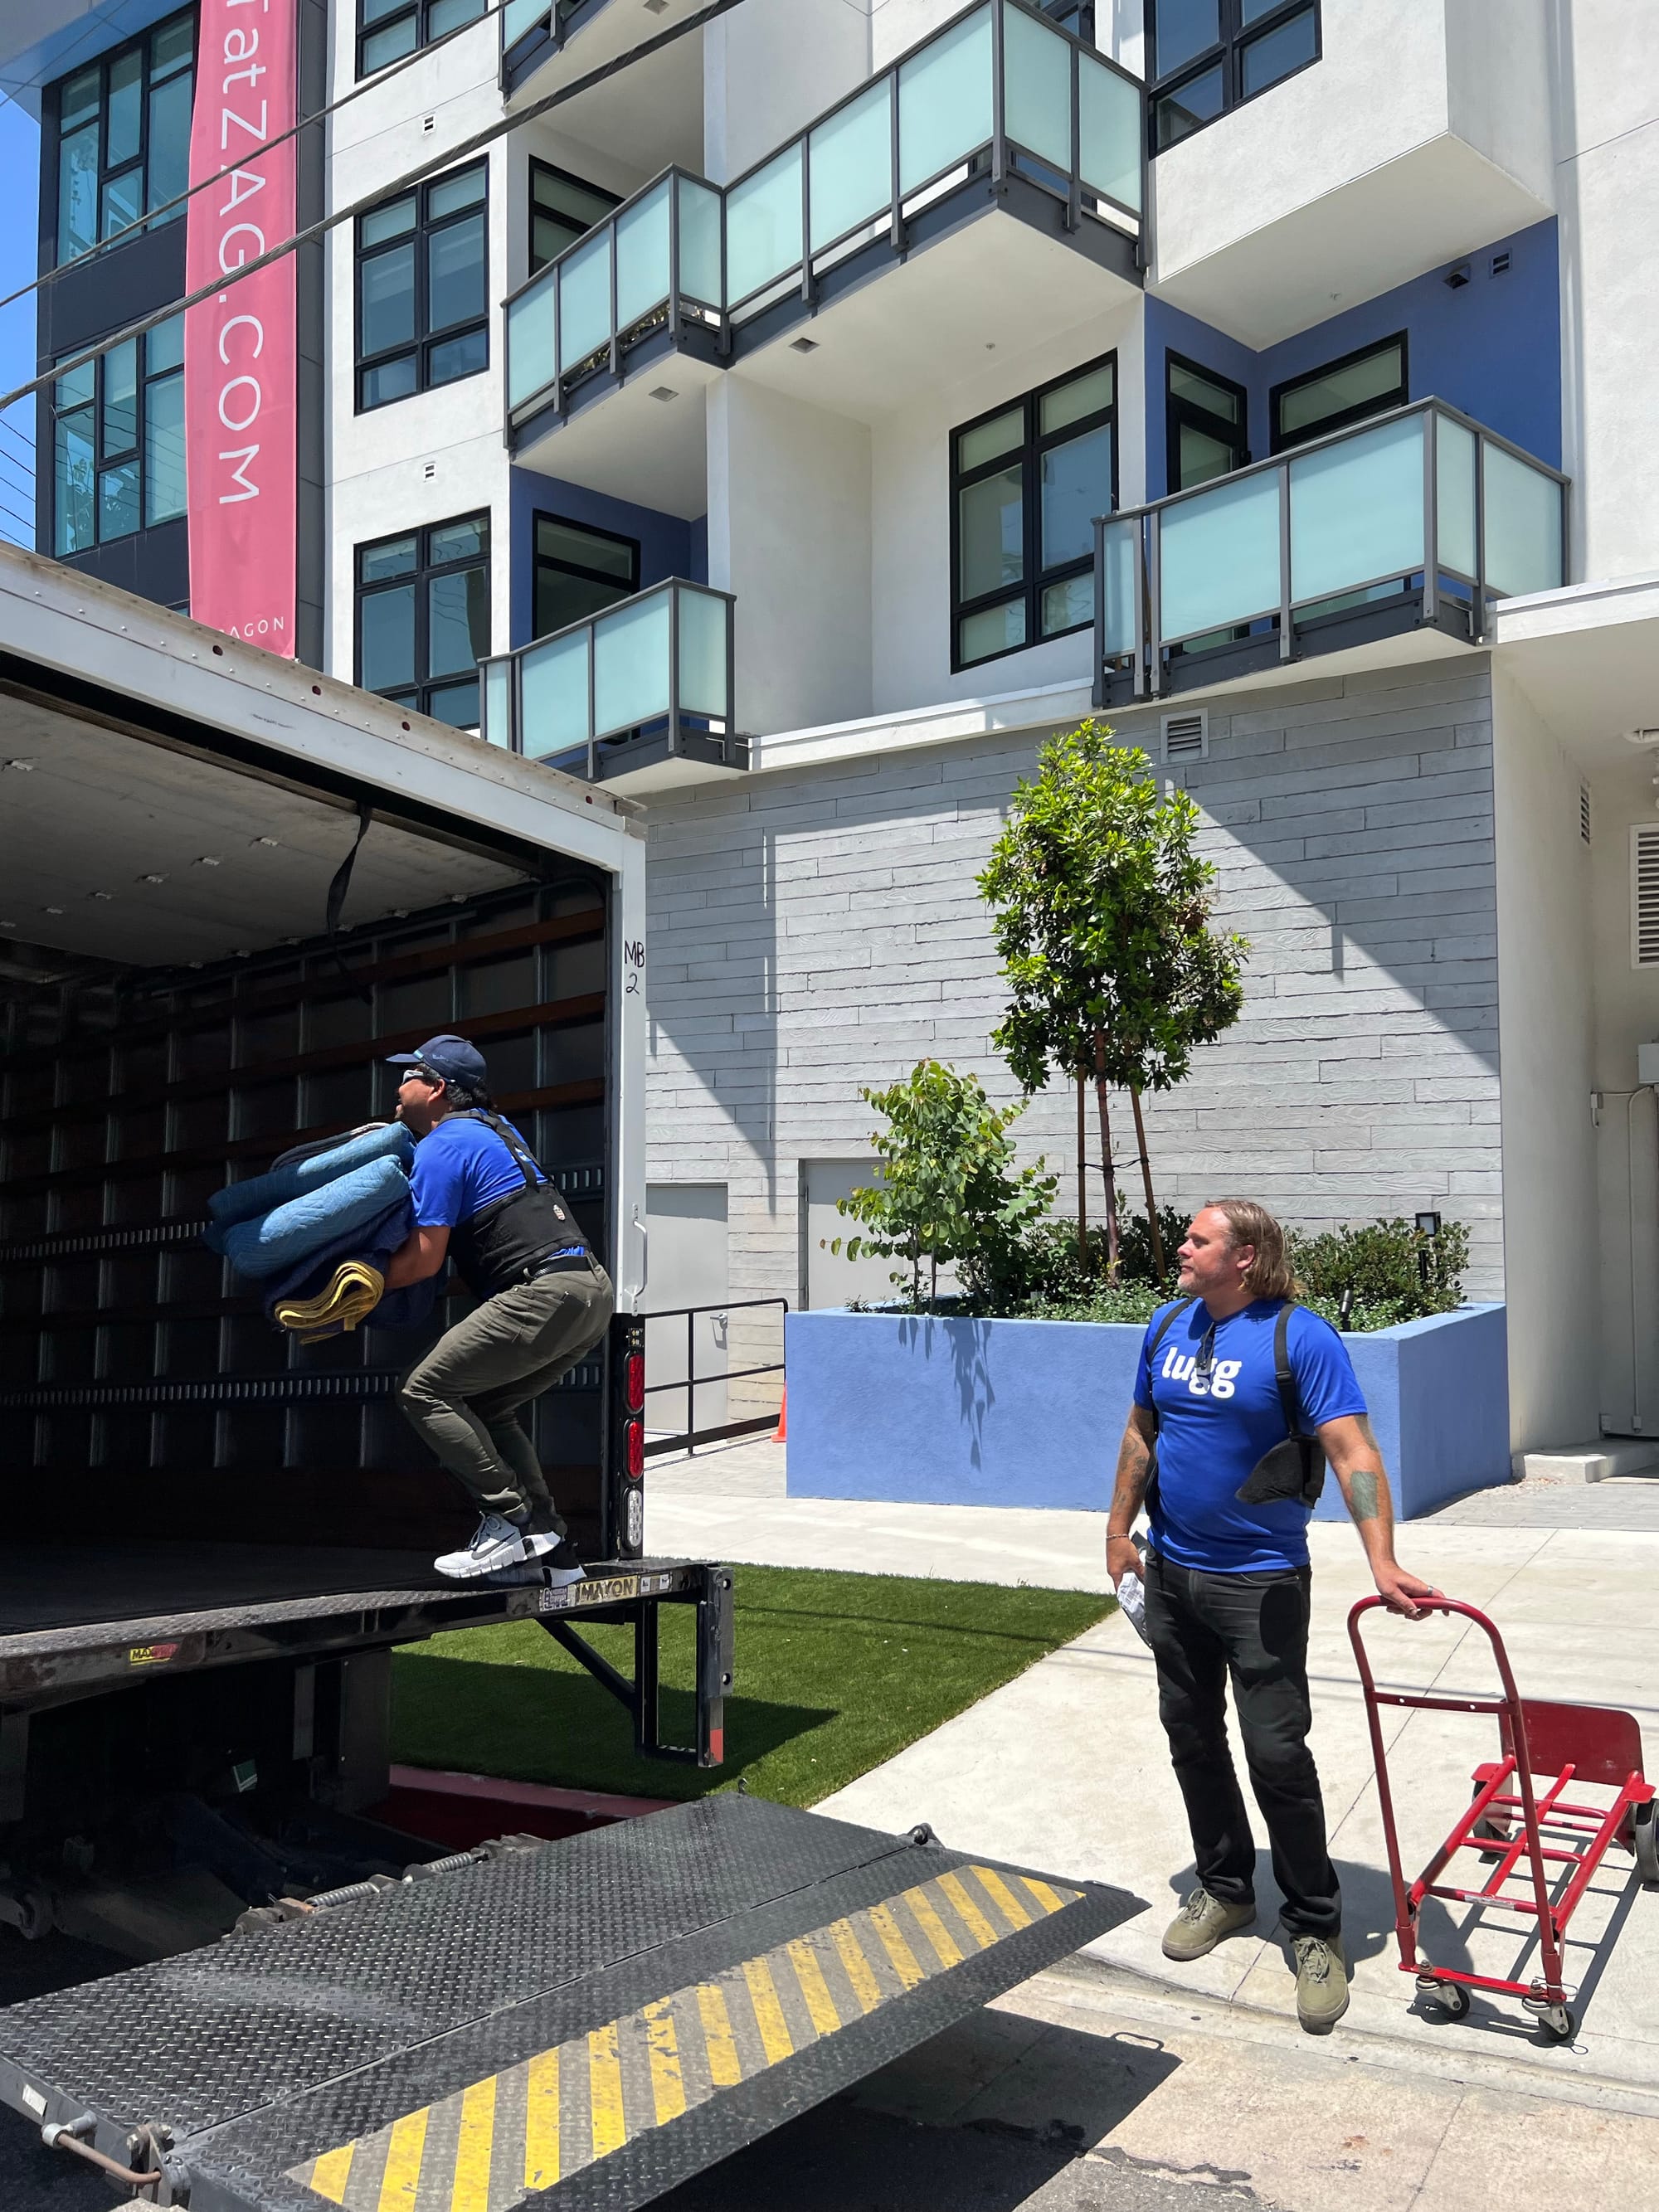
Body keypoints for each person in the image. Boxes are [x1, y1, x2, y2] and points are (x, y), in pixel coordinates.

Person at [1106, 1198, 1438, 2033]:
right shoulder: (1166, 1326)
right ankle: (1223, 1889)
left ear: (1245, 1255)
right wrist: (1117, 1530)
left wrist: (1382, 1558)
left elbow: (1352, 1450)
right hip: (1171, 1573)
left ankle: (1314, 1923)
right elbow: (1141, 1434)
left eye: (1199, 1239)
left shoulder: (1299, 1338)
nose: (1182, 1247)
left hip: (1261, 1583)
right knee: (1190, 1734)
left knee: (1277, 1754)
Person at [381, 1033, 613, 1585]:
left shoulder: (443, 1144)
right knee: (487, 1405)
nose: (398, 1087)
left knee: (423, 1390)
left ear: (437, 1088)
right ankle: (553, 1555)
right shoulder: (497, 1129)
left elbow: (424, 1260)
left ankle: (510, 1520)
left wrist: (350, 1286)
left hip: (543, 1291)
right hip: (590, 1290)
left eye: (409, 1076)